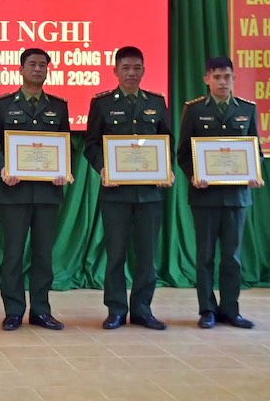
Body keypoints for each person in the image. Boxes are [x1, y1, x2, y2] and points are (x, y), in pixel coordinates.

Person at [83, 46, 173, 331]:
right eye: (126, 68)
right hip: (116, 193)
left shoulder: (156, 102)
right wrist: (103, 168)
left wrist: (166, 169)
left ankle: (143, 309)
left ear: (144, 70)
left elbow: (167, 142)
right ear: (115, 71)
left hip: (150, 193)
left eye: (136, 68)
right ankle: (116, 310)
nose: (131, 73)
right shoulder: (102, 104)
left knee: (146, 256)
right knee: (116, 254)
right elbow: (91, 145)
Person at [0, 47, 70, 331]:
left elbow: (65, 146)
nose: (37, 69)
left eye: (43, 65)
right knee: (12, 254)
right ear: (20, 69)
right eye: (32, 64)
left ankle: (41, 310)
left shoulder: (59, 107)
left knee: (43, 255)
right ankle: (13, 311)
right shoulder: (3, 105)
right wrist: (3, 168)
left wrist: (62, 169)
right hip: (14, 192)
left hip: (47, 193)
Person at [177, 56, 263, 330]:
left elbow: (256, 150)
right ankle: (207, 310)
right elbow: (183, 153)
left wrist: (254, 172)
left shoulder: (247, 109)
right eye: (216, 77)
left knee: (232, 257)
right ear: (207, 79)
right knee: (204, 256)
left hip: (237, 197)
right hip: (205, 196)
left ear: (234, 78)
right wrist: (193, 175)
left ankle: (230, 310)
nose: (222, 82)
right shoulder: (193, 110)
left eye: (227, 77)